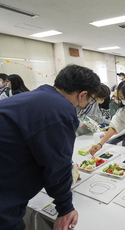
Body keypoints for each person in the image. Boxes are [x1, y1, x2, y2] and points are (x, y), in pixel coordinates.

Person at [0, 64, 100, 230]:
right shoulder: (61, 109)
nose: (89, 102)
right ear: (83, 95)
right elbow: (57, 166)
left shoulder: (37, 96)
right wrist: (65, 208)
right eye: (91, 99)